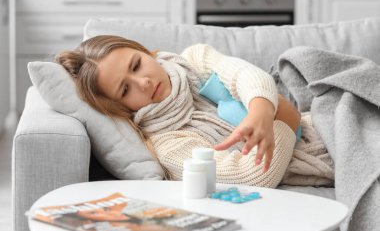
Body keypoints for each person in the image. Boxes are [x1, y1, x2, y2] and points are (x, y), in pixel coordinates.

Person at [56, 35, 301, 188]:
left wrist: (263, 110)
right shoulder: (168, 144)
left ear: (144, 51)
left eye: (137, 64)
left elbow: (244, 74)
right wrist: (284, 121)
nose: (144, 82)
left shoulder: (194, 60)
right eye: (125, 90)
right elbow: (251, 177)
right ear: (118, 107)